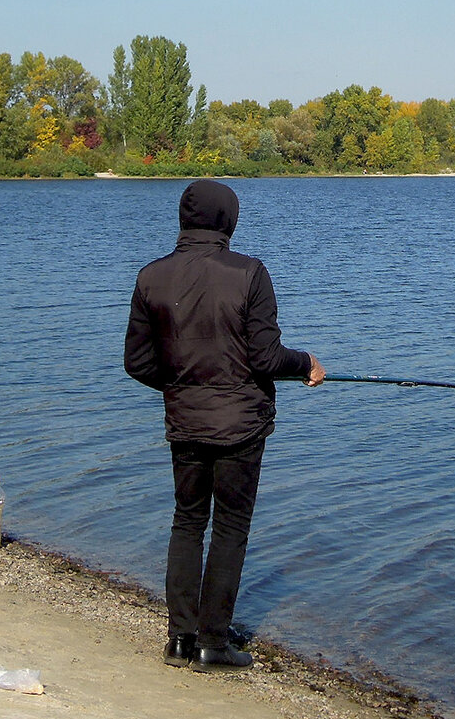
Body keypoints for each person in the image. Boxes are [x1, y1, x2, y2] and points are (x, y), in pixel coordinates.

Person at [124, 179, 325, 673]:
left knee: (188, 522)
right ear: (227, 221)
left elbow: (137, 362)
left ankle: (179, 639)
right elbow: (266, 355)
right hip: (241, 425)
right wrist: (306, 365)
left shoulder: (151, 277)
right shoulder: (250, 273)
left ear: (184, 218)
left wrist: (182, 385)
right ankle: (214, 644)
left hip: (185, 421)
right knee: (230, 528)